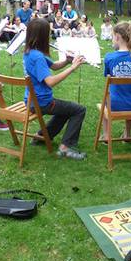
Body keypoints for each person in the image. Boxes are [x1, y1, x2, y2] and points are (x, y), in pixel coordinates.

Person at [23, 18, 87, 159]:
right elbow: (50, 82)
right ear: (42, 37)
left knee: (66, 110)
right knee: (79, 110)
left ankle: (41, 136)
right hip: (41, 103)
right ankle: (66, 147)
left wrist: (66, 61)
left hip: (31, 100)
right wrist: (72, 67)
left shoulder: (29, 52)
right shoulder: (38, 57)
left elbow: (52, 66)